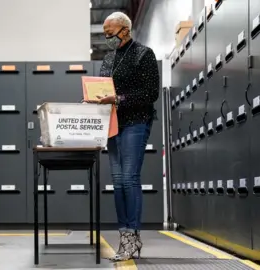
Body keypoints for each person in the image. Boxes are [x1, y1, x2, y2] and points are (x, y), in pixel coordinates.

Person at [92, 11, 160, 261]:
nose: (107, 38)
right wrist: (94, 99)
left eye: (110, 33)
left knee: (130, 178)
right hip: (113, 124)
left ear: (125, 30)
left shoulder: (144, 54)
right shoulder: (109, 59)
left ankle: (133, 236)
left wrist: (118, 99)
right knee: (118, 181)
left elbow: (150, 93)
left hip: (135, 123)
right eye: (105, 34)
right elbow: (103, 87)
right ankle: (124, 238)